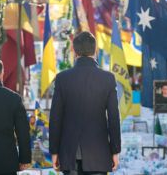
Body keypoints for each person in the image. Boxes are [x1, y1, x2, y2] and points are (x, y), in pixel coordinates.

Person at [49, 32, 121, 174]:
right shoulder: (108, 79)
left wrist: (54, 151)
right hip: (98, 154)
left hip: (69, 153)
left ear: (74, 51)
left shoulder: (62, 78)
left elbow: (55, 118)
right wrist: (115, 150)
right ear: (95, 51)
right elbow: (114, 118)